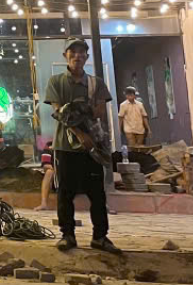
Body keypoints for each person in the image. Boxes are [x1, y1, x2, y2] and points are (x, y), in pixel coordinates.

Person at [44, 37, 120, 254]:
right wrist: (80, 133)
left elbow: (99, 112)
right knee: (65, 193)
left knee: (97, 193)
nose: (77, 55)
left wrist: (75, 110)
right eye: (73, 51)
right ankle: (67, 235)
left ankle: (100, 237)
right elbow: (59, 112)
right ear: (65, 55)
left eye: (81, 52)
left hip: (92, 148)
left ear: (86, 56)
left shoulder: (96, 84)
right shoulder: (56, 82)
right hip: (65, 147)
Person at [35, 145, 55, 211]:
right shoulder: (49, 145)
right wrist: (57, 169)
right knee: (49, 172)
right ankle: (44, 203)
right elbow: (45, 164)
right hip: (56, 173)